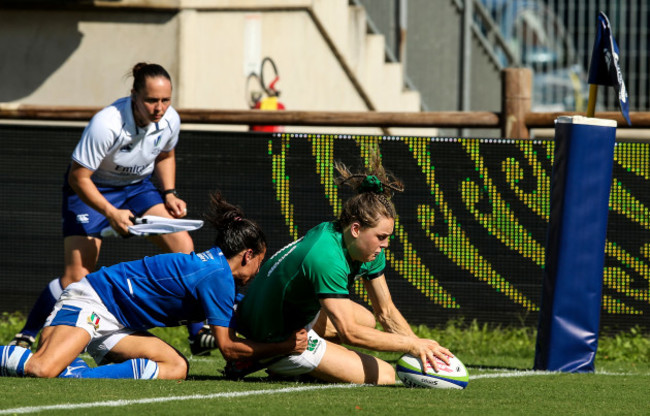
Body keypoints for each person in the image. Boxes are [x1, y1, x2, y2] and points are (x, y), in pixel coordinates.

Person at [10, 62, 210, 352]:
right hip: (91, 189)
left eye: (166, 100)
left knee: (184, 248)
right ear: (134, 96)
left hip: (138, 188)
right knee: (76, 277)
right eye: (151, 100)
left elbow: (166, 153)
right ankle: (27, 334)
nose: (159, 108)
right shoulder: (107, 123)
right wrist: (111, 213)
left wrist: (169, 192)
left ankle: (197, 333)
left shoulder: (171, 120)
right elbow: (78, 177)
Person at [0, 192, 307, 379]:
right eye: (259, 261)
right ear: (247, 254)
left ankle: (78, 374)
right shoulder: (217, 276)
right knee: (41, 369)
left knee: (175, 367)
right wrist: (284, 346)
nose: (257, 271)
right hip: (92, 301)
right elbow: (228, 349)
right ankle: (63, 367)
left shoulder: (216, 269)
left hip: (118, 323)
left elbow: (236, 327)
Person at [233, 149, 454, 385]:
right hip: (272, 335)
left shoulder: (358, 243)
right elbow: (349, 331)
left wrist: (422, 352)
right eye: (381, 236)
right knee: (387, 375)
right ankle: (265, 359)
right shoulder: (326, 257)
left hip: (286, 314)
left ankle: (307, 363)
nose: (386, 244)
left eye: (388, 236)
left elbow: (385, 312)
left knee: (367, 319)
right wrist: (411, 343)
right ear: (356, 229)